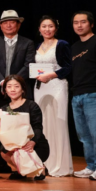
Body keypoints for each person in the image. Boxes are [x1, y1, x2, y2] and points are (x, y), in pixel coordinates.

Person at [70, 11, 96, 180]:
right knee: (84, 135)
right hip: (76, 95)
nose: (79, 25)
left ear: (91, 24)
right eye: (76, 22)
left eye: (83, 22)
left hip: (94, 94)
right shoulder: (74, 47)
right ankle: (91, 165)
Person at [33, 15, 72, 177]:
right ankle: (46, 162)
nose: (47, 29)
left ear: (55, 28)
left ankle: (61, 165)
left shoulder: (62, 44)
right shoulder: (37, 46)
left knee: (58, 123)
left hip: (57, 85)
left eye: (50, 26)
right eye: (44, 26)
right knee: (43, 124)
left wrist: (51, 75)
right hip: (40, 87)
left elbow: (68, 67)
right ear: (39, 29)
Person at [0, 75, 48, 181]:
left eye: (16, 86)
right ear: (5, 90)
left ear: (23, 89)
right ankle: (17, 170)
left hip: (34, 144)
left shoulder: (32, 105)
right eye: (9, 86)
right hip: (15, 144)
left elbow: (38, 127)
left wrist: (33, 142)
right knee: (3, 151)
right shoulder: (4, 109)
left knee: (21, 153)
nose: (13, 89)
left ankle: (40, 167)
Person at [0, 10, 36, 108]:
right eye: (5, 23)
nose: (8, 25)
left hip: (21, 90)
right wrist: (2, 82)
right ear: (1, 26)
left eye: (12, 22)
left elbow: (28, 65)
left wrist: (13, 82)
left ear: (18, 25)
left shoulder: (28, 43)